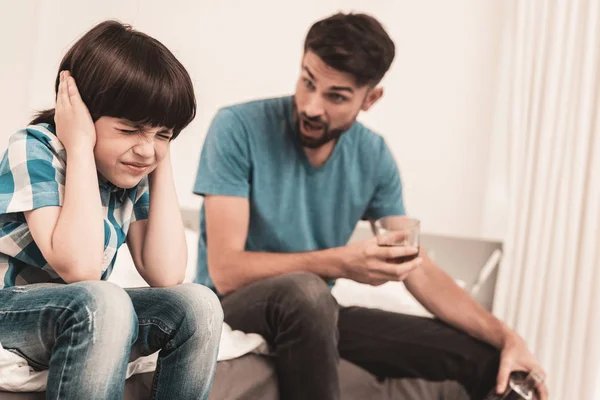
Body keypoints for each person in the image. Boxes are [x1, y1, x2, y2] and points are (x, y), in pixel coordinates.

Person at [193, 12, 548, 400]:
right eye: (307, 82)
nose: (311, 106)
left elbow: (416, 266)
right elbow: (226, 271)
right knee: (308, 293)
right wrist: (339, 263)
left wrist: (507, 336)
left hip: (316, 316)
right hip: (235, 307)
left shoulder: (373, 156)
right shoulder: (238, 127)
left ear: (371, 98)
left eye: (336, 96)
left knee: (487, 361)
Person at [0, 21, 222, 399]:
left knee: (199, 304)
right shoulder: (34, 149)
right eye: (131, 129)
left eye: (163, 133)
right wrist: (80, 145)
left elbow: (166, 273)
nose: (147, 149)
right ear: (81, 113)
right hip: (12, 311)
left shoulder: (130, 175)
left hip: (83, 312)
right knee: (105, 299)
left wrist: (160, 157)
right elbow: (81, 267)